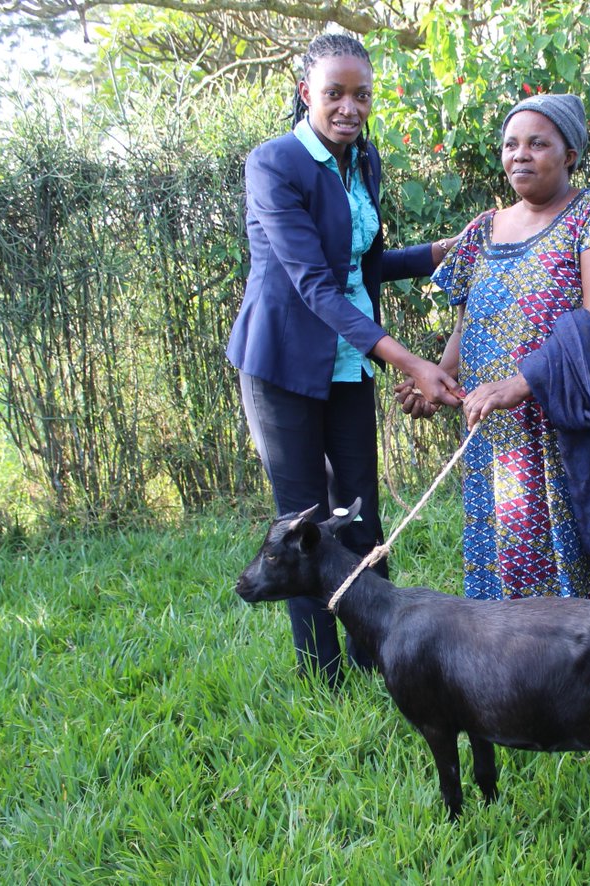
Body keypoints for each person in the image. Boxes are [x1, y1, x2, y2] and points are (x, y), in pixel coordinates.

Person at [397, 93, 590, 664]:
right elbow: (473, 315)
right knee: (517, 528)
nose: (521, 155)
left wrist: (520, 384)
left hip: (586, 413)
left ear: (569, 153)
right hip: (506, 430)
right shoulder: (486, 230)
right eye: (511, 145)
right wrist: (441, 375)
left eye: (538, 143)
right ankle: (527, 664)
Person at [227, 33, 465, 686]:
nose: (349, 107)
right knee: (304, 521)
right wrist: (413, 362)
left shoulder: (366, 162)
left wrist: (443, 250)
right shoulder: (274, 164)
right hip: (282, 364)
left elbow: (363, 265)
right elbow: (314, 285)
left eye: (361, 94)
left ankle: (380, 657)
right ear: (308, 93)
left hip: (349, 365)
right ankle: (321, 674)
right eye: (335, 93)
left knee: (359, 513)